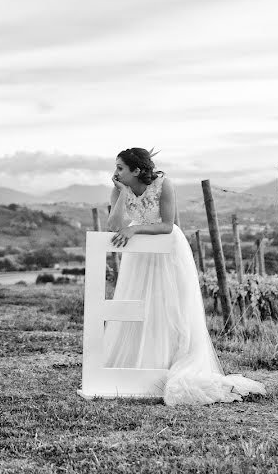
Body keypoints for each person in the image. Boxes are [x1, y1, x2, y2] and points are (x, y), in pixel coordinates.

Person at [103, 147, 266, 405]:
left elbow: (167, 225)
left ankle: (168, 363)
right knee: (139, 303)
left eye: (120, 168)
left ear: (136, 170)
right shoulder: (119, 188)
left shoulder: (163, 185)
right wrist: (122, 194)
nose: (115, 173)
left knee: (169, 306)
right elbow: (113, 226)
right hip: (139, 254)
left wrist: (135, 230)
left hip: (167, 249)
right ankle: (140, 364)